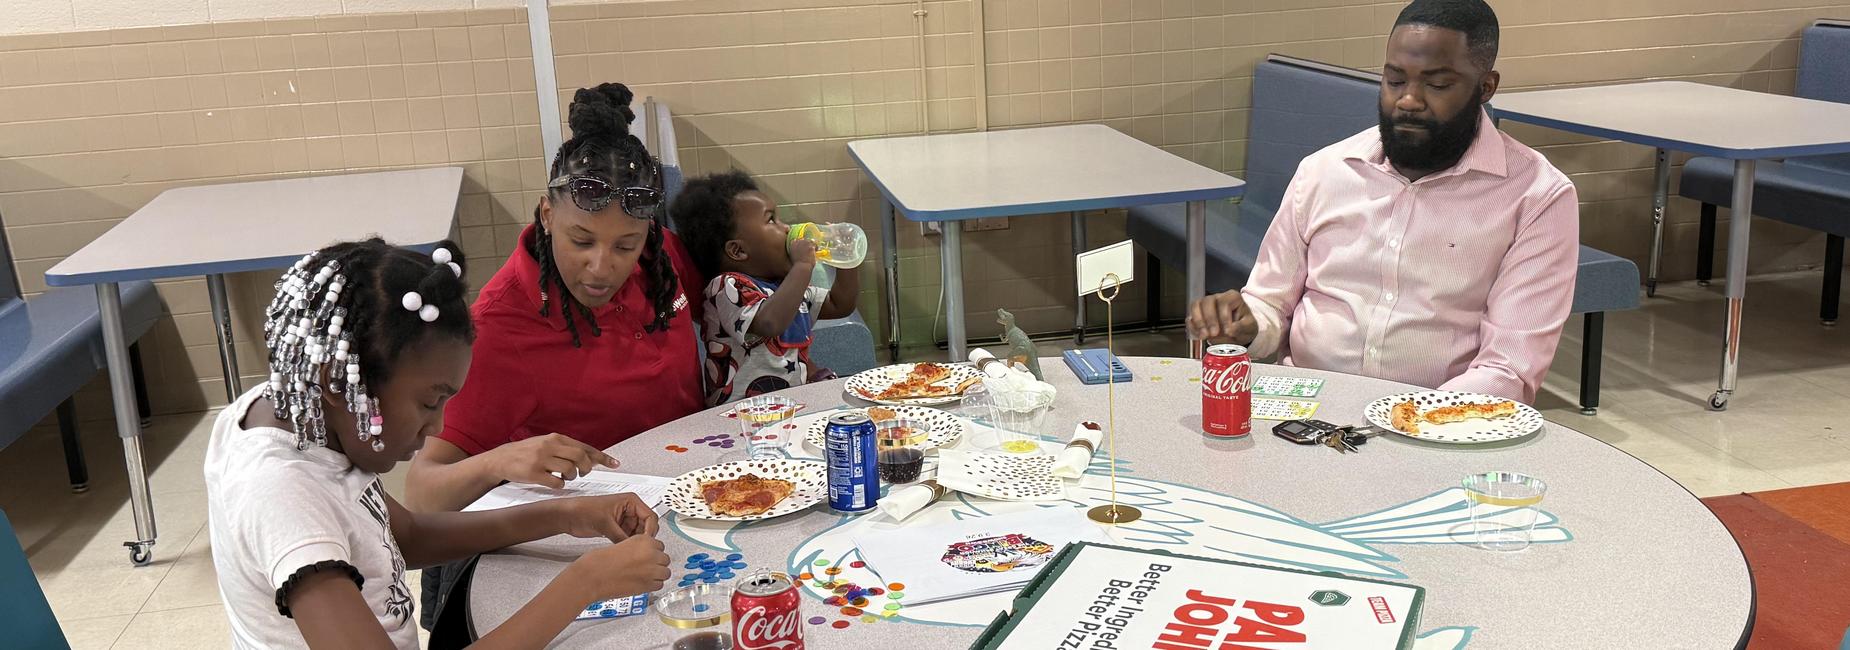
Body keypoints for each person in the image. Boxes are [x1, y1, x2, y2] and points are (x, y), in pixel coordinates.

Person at [205, 239, 671, 649]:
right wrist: (584, 583)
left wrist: (565, 515)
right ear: (337, 381)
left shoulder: (298, 409)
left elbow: (401, 536)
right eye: (429, 403)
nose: (437, 427)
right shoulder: (282, 495)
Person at [404, 82, 705, 630]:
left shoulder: (660, 265)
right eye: (581, 240)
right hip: (589, 550)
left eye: (625, 245)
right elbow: (423, 492)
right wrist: (499, 461)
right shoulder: (499, 327)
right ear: (546, 214)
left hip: (694, 509)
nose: (602, 267)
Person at [1186, 0, 1578, 403]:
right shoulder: (1325, 171)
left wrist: (1398, 418)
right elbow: (1270, 303)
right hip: (1305, 411)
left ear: (1485, 87)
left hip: (1441, 423)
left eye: (1437, 85)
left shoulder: (1538, 197)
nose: (1408, 100)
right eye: (1394, 81)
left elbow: (1508, 370)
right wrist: (1247, 324)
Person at [673, 171, 862, 405]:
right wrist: (802, 266)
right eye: (772, 220)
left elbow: (840, 304)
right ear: (738, 251)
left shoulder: (784, 286)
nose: (785, 228)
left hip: (787, 409)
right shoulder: (726, 287)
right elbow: (769, 322)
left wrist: (845, 258)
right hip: (737, 418)